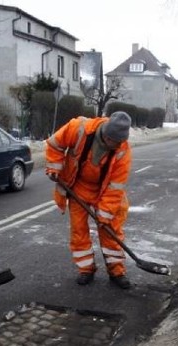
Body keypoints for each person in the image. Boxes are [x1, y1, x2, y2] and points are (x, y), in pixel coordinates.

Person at [45, 111, 134, 289]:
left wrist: (104, 215)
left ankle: (116, 272)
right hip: (78, 187)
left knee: (111, 229)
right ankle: (86, 269)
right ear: (106, 134)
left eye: (119, 142)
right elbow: (55, 144)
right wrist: (54, 167)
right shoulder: (79, 128)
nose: (116, 145)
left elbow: (115, 187)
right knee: (79, 230)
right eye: (113, 142)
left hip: (104, 190)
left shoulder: (122, 151)